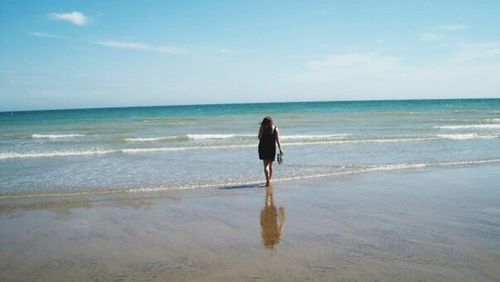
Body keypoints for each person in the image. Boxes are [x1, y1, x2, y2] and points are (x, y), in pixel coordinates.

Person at [258, 116, 283, 186]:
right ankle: (269, 180)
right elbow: (278, 140)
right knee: (270, 165)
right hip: (272, 148)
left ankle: (267, 180)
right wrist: (280, 149)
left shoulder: (262, 128)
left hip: (263, 147)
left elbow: (259, 137)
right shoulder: (275, 128)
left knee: (265, 165)